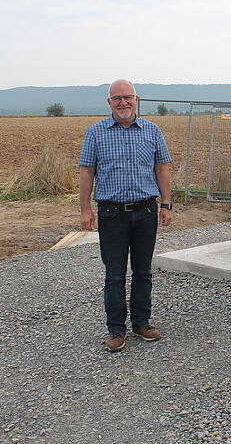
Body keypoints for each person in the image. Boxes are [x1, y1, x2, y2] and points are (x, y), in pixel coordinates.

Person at [79, 79, 173, 352]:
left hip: (145, 211)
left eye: (127, 97)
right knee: (115, 273)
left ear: (136, 99)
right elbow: (86, 172)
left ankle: (142, 323)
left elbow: (162, 168)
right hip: (111, 213)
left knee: (143, 271)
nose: (123, 102)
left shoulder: (152, 131)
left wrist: (166, 204)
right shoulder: (96, 133)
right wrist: (85, 210)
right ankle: (116, 329)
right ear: (109, 102)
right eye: (117, 98)